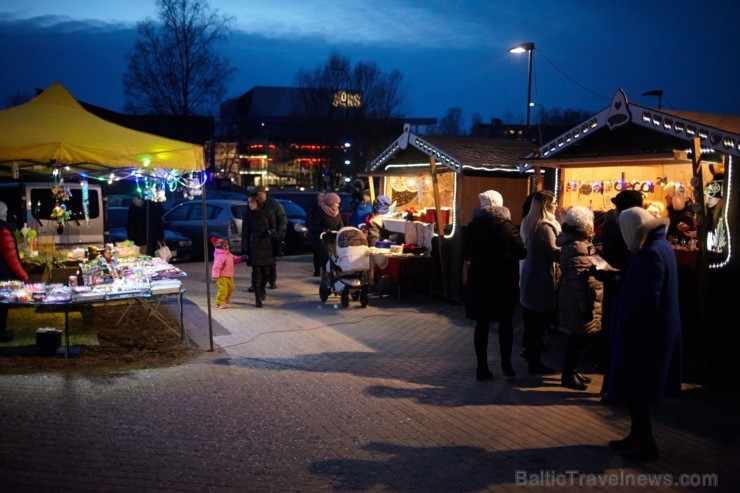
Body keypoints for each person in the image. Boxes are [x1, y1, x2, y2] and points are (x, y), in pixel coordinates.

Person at [607, 206, 682, 462]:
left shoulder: (650, 253)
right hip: (651, 331)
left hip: (645, 335)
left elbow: (648, 299)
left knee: (637, 389)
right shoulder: (659, 247)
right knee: (636, 389)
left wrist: (626, 316)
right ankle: (637, 436)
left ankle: (645, 441)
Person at [462, 192, 526, 380]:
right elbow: (522, 252)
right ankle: (506, 364)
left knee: (482, 324)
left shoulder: (473, 226)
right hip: (503, 281)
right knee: (505, 323)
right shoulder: (507, 227)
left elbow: (466, 253)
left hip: (479, 280)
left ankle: (481, 367)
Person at [598, 190, 645, 393]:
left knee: (615, 335)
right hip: (619, 290)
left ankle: (613, 382)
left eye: (618, 206)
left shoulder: (620, 231)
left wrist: (609, 272)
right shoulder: (634, 234)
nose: (614, 210)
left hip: (620, 292)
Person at [556, 206, 604, 390]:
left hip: (576, 299)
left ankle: (573, 371)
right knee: (578, 338)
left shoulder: (580, 244)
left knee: (579, 337)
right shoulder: (578, 247)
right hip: (579, 302)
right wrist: (586, 308)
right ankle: (569, 374)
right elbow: (580, 282)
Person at [519, 190, 561, 374]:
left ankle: (530, 352)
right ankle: (533, 357)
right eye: (554, 203)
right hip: (541, 277)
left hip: (530, 275)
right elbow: (554, 252)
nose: (557, 205)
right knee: (541, 319)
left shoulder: (529, 222)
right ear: (546, 206)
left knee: (532, 320)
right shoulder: (545, 227)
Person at [0, 201, 29, 342]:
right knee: (2, 305)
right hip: (2, 276)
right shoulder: (3, 230)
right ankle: (2, 334)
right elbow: (11, 257)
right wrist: (23, 275)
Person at [242, 193, 277, 308]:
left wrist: (270, 232)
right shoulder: (248, 216)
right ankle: (258, 297)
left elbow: (274, 228)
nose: (250, 204)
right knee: (257, 274)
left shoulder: (267, 213)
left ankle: (262, 289)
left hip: (267, 247)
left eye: (252, 202)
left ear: (258, 202)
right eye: (249, 202)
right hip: (255, 247)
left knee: (266, 274)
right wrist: (245, 251)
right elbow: (245, 234)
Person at [252, 186, 286, 290]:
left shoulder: (274, 205)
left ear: (265, 194)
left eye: (261, 194)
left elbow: (282, 220)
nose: (260, 197)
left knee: (271, 262)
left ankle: (272, 281)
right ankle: (255, 284)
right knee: (256, 263)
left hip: (272, 236)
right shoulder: (255, 205)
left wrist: (279, 234)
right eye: (258, 195)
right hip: (258, 238)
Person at [308, 192, 344, 277]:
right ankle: (326, 276)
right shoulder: (320, 212)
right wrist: (325, 230)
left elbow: (341, 224)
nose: (337, 205)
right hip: (324, 240)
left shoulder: (337, 213)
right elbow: (314, 226)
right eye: (336, 203)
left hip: (334, 239)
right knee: (326, 259)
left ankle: (334, 275)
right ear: (331, 203)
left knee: (335, 258)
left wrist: (342, 230)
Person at [210, 236, 244, 309]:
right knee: (223, 289)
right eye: (225, 245)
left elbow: (234, 258)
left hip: (229, 276)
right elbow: (216, 267)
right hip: (221, 277)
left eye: (227, 245)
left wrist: (241, 258)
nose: (227, 246)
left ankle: (225, 298)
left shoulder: (228, 253)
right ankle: (219, 302)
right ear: (221, 246)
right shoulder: (220, 256)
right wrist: (214, 276)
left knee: (231, 288)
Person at [306, 193, 326, 276]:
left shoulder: (313, 209)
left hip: (317, 235)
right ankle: (318, 270)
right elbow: (309, 223)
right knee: (318, 255)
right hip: (316, 235)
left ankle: (318, 271)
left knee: (319, 255)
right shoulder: (315, 210)